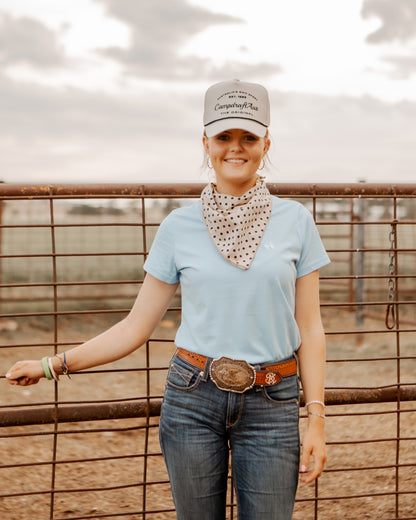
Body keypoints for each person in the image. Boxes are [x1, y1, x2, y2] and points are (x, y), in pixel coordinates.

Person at [6, 79, 330, 520]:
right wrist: (52, 365)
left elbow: (309, 327)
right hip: (193, 398)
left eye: (249, 137)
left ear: (265, 143)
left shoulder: (296, 221)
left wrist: (316, 419)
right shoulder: (179, 227)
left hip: (272, 403)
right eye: (224, 137)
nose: (236, 148)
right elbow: (135, 327)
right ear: (206, 143)